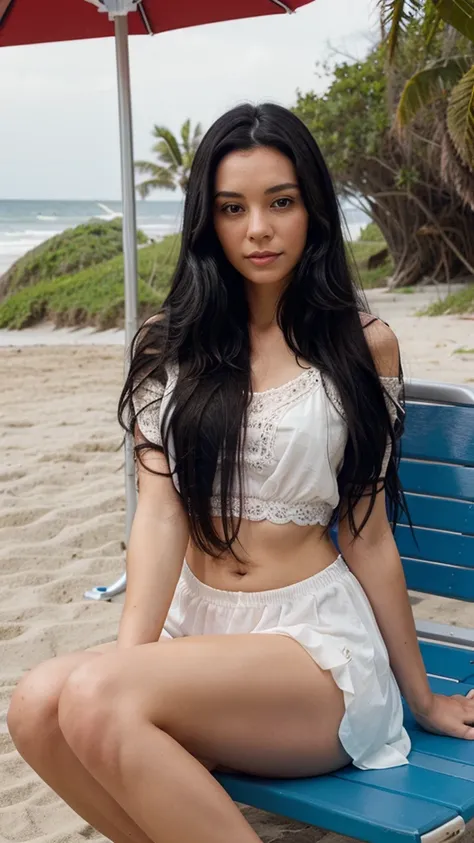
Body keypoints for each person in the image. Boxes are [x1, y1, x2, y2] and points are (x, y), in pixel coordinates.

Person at [7, 102, 474, 843]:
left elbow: (368, 533)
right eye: (233, 208)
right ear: (208, 221)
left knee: (93, 696)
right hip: (200, 637)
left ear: (312, 211)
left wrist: (422, 697)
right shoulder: (173, 345)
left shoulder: (362, 344)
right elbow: (158, 518)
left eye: (280, 202)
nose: (258, 228)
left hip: (315, 655)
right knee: (35, 704)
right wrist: (133, 672)